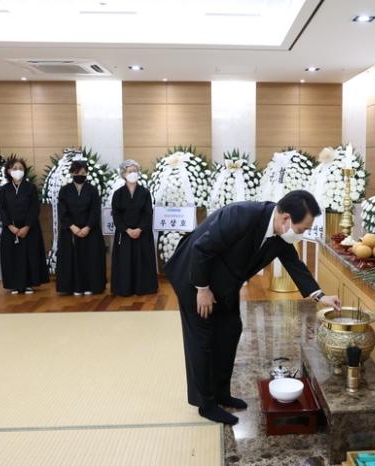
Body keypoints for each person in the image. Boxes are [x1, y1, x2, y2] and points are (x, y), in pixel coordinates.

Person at [164, 190, 342, 425]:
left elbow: (292, 262)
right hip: (194, 277)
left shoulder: (280, 235)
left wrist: (320, 295)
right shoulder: (241, 215)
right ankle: (206, 404)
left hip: (225, 282)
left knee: (230, 330)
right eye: (302, 229)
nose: (303, 234)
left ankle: (221, 393)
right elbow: (201, 248)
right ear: (285, 218)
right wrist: (202, 288)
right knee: (202, 339)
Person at [0, 157, 49, 294]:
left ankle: (28, 283)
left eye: (20, 168)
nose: (18, 171)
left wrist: (26, 226)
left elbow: (34, 208)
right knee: (11, 257)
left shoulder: (30, 188)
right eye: (14, 168)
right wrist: (10, 226)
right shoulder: (4, 189)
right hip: (10, 230)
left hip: (29, 229)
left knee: (29, 256)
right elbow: (2, 210)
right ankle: (14, 284)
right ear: (8, 171)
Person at [55, 160, 106, 295]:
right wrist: (72, 227)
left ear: (87, 174)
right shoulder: (64, 190)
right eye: (77, 172)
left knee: (90, 259)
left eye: (83, 172)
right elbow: (62, 210)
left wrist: (88, 227)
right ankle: (74, 287)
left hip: (90, 230)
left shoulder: (92, 190)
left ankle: (90, 286)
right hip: (70, 231)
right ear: (72, 173)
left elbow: (95, 211)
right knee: (71, 259)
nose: (80, 175)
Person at [110, 160, 158, 296]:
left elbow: (148, 213)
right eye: (130, 172)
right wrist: (127, 230)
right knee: (125, 262)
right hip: (124, 234)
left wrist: (139, 229)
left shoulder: (145, 193)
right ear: (123, 174)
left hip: (142, 233)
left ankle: (144, 288)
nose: (133, 174)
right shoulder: (118, 194)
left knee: (142, 261)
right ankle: (124, 288)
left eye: (135, 171)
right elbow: (116, 215)